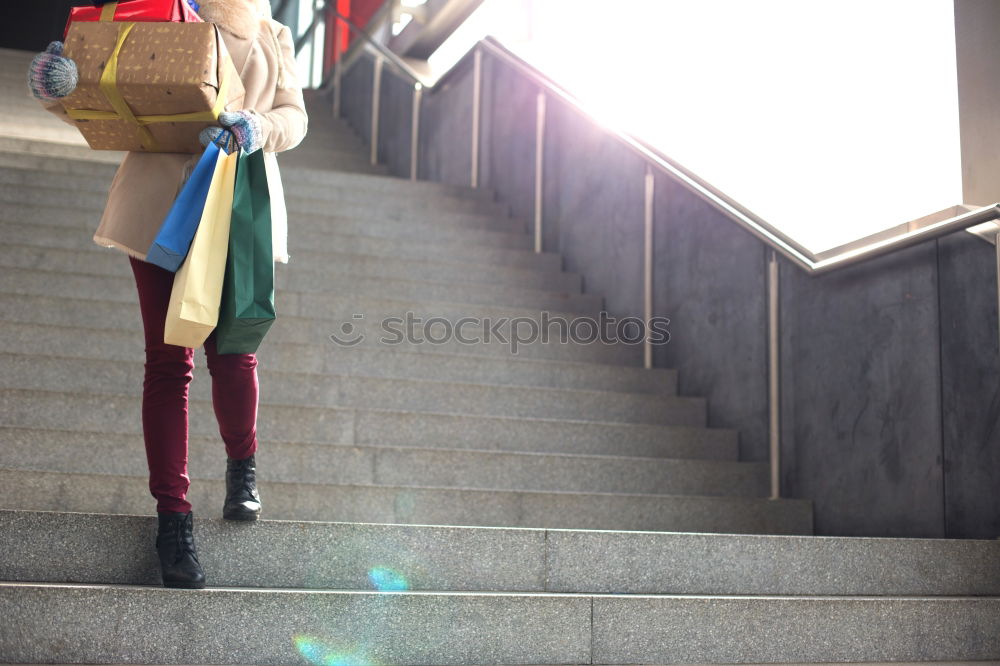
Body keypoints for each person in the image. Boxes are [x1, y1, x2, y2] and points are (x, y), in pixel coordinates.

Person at [27, 0, 308, 589]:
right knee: (166, 362)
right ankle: (173, 519)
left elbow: (294, 117)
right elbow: (104, 98)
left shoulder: (272, 30)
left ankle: (242, 466)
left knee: (233, 352)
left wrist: (260, 128)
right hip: (156, 206)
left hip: (238, 205)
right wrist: (59, 89)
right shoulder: (146, 14)